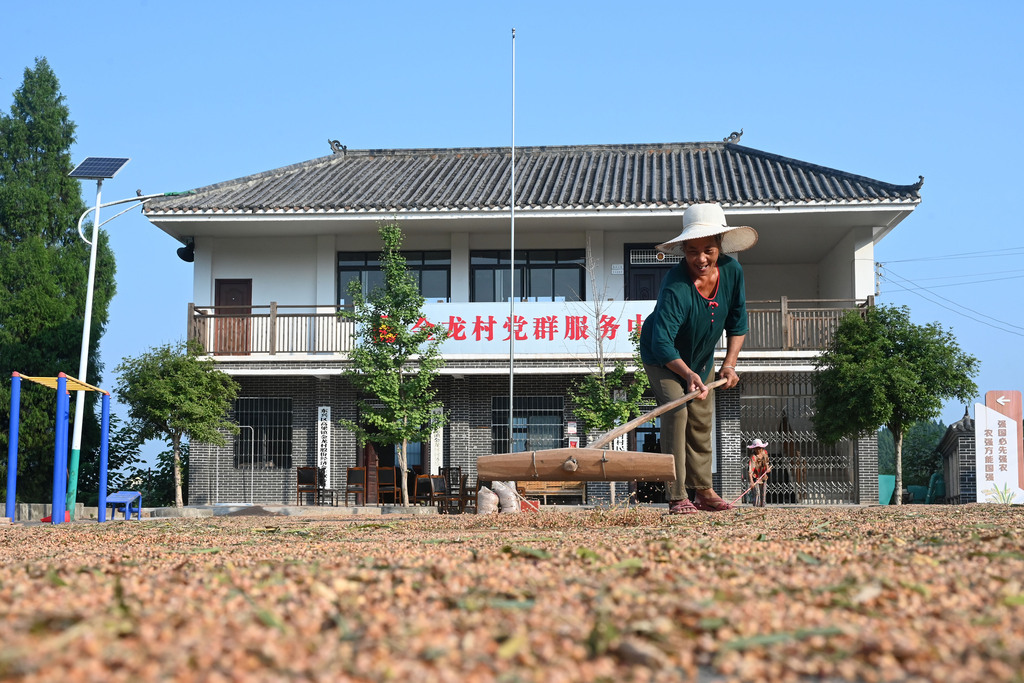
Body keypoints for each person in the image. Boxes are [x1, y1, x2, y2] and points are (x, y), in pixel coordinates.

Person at [639, 203, 757, 514]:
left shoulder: (732, 271)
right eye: (692, 251)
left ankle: (703, 489)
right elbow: (662, 341)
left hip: (702, 358)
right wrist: (687, 374)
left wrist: (728, 364)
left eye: (708, 249)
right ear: (683, 250)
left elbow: (738, 321)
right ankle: (678, 495)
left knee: (702, 418)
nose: (701, 258)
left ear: (719, 245)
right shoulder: (676, 287)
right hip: (661, 357)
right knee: (678, 412)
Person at [747, 439, 771, 507]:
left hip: (763, 476)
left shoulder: (765, 453)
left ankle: (763, 506)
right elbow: (751, 470)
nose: (758, 450)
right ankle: (756, 507)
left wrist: (767, 468)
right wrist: (751, 481)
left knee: (763, 493)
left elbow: (766, 462)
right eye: (756, 448)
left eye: (759, 448)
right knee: (757, 493)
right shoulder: (753, 457)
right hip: (756, 476)